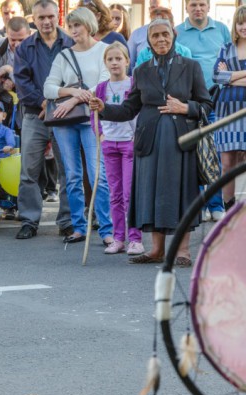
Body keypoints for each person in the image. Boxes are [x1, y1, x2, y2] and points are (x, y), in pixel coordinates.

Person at [89, 19, 212, 266]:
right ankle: (156, 249)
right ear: (149, 40)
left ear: (173, 36)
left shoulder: (190, 67)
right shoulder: (141, 70)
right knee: (154, 194)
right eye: (155, 36)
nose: (161, 40)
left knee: (182, 193)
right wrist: (104, 109)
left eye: (165, 35)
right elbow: (129, 108)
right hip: (149, 140)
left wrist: (186, 107)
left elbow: (207, 104)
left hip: (181, 139)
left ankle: (183, 250)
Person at [43, 7, 113, 246]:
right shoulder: (63, 55)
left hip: (91, 117)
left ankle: (106, 229)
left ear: (89, 25)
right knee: (72, 176)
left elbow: (104, 84)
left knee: (98, 176)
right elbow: (49, 88)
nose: (73, 30)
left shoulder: (104, 51)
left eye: (78, 25)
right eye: (71, 26)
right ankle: (78, 227)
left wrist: (74, 99)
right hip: (65, 121)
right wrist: (72, 91)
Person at [14, 0, 73, 240]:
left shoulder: (71, 43)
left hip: (65, 114)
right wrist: (44, 102)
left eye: (50, 16)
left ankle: (67, 220)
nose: (47, 22)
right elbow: (21, 81)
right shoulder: (25, 47)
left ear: (58, 15)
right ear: (34, 19)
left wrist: (55, 102)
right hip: (34, 114)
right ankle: (29, 220)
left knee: (68, 170)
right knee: (29, 170)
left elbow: (77, 78)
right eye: (41, 18)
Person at [176, 0, 230, 222]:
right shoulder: (178, 32)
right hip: (191, 102)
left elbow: (230, 58)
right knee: (195, 155)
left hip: (217, 99)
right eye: (193, 5)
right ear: (186, 7)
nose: (198, 8)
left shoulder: (222, 29)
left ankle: (215, 204)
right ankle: (198, 205)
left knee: (215, 154)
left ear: (208, 6)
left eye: (202, 4)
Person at [92, 42, 144, 255]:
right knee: (114, 192)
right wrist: (100, 134)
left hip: (129, 142)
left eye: (118, 58)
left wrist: (136, 136)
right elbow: (93, 114)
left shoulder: (133, 84)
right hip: (109, 143)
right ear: (105, 62)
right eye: (110, 59)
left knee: (129, 193)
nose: (114, 63)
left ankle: (135, 238)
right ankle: (118, 238)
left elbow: (139, 113)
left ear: (127, 60)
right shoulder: (101, 88)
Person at [213, 5, 246, 211]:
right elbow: (216, 77)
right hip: (227, 110)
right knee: (227, 164)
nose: (244, 27)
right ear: (235, 24)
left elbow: (225, 77)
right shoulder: (226, 48)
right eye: (241, 22)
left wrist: (231, 77)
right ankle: (229, 210)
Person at [127, 0, 171, 70]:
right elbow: (129, 64)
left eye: (161, 8)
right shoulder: (137, 35)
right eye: (153, 7)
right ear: (149, 9)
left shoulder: (177, 33)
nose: (157, 11)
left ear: (169, 9)